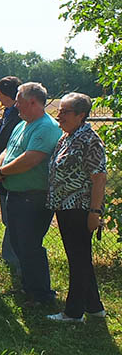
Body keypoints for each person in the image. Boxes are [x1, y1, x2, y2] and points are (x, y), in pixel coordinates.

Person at [0, 82, 62, 305]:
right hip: (17, 195)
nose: (17, 105)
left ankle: (41, 294)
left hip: (34, 197)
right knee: (19, 242)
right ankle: (29, 287)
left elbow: (32, 158)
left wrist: (2, 171)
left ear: (32, 102)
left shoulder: (46, 127)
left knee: (30, 244)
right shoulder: (23, 124)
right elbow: (9, 149)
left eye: (20, 101)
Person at [46, 93, 107, 322]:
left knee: (78, 259)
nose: (59, 116)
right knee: (80, 257)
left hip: (80, 208)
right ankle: (94, 306)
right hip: (65, 207)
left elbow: (99, 178)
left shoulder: (89, 140)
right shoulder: (68, 137)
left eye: (65, 112)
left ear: (81, 115)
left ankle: (73, 313)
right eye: (59, 111)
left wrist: (94, 212)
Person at [0, 76, 22, 273]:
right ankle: (10, 258)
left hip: (11, 174)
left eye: (0, 94)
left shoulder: (19, 116)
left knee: (12, 219)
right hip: (2, 174)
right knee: (8, 218)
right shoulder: (8, 113)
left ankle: (14, 260)